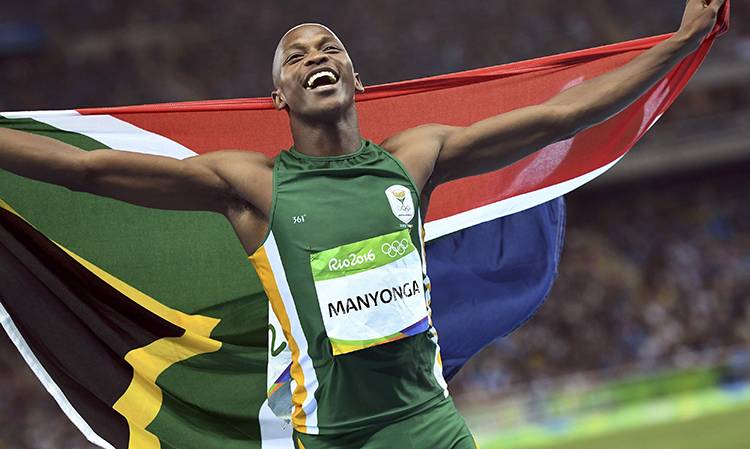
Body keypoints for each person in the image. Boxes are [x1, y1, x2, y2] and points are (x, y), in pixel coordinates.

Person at [0, 1, 726, 448]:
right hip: (333, 440)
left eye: (329, 48)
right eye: (297, 54)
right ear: (278, 94)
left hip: (429, 427)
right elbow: (86, 172)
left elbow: (562, 115)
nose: (316, 56)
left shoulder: (417, 157)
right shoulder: (252, 186)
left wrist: (681, 41)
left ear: (356, 81)